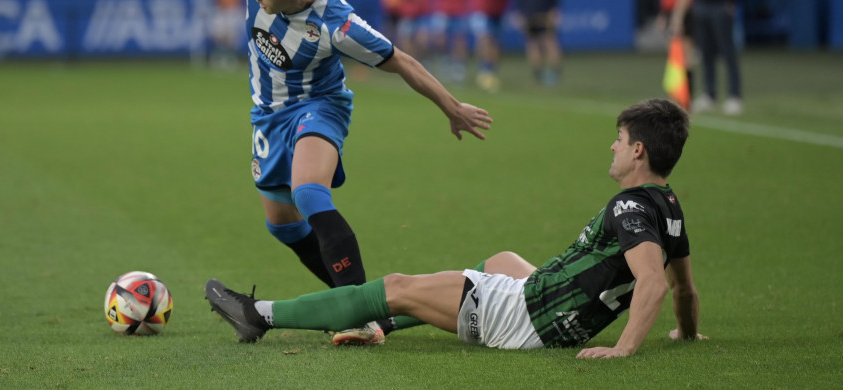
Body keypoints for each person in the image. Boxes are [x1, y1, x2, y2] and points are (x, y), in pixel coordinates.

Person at [162, 0, 493, 345]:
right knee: (282, 224)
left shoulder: (339, 27)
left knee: (309, 192)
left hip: (320, 107)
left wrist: (452, 107)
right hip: (268, 114)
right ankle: (366, 309)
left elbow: (401, 60)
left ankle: (363, 313)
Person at [205, 98, 706, 358]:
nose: (613, 147)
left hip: (527, 315)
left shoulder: (630, 209)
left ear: (639, 150)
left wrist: (624, 349)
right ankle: (378, 325)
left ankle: (260, 315)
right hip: (545, 300)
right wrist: (686, 334)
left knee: (395, 287)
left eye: (619, 140)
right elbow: (683, 286)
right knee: (502, 261)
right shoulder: (669, 206)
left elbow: (654, 282)